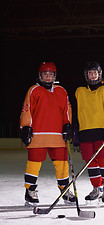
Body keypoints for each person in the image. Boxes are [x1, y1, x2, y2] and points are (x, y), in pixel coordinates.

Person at [20, 61, 76, 206]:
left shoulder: (61, 91)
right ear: (40, 75)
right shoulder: (34, 90)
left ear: (54, 76)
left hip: (57, 136)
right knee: (34, 164)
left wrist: (67, 125)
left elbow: (67, 111)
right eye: (45, 74)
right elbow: (27, 109)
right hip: (38, 135)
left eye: (51, 74)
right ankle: (30, 191)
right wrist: (26, 127)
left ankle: (65, 191)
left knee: (62, 165)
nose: (48, 77)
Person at [75, 62, 104, 203]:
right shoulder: (79, 91)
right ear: (86, 75)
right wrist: (75, 128)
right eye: (90, 73)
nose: (92, 75)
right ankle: (96, 189)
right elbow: (76, 111)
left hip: (103, 131)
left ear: (99, 74)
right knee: (91, 163)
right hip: (85, 131)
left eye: (95, 72)